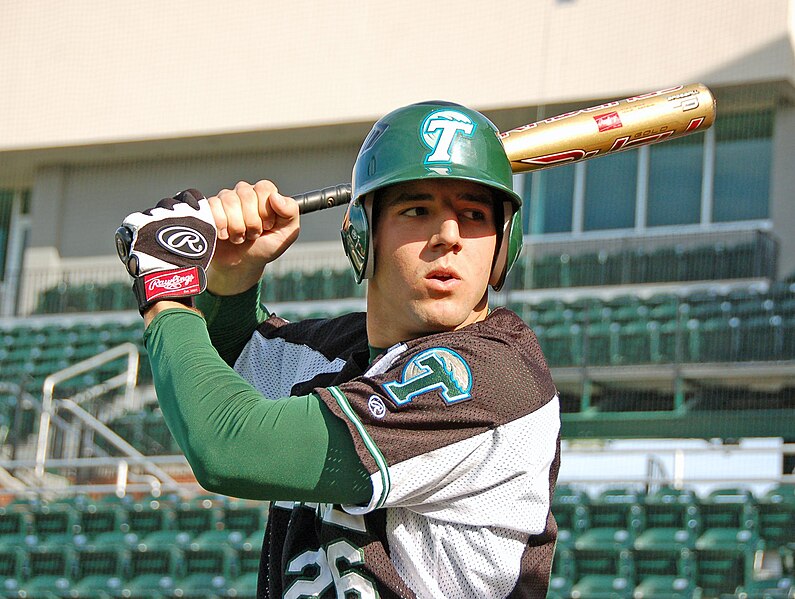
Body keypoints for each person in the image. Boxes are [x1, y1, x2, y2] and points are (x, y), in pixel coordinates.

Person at [117, 101, 561, 598]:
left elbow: (226, 446)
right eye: (417, 210)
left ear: (504, 245)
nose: (448, 237)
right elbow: (229, 364)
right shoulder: (342, 353)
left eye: (474, 214)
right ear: (362, 236)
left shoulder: (491, 377)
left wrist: (166, 287)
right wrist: (232, 278)